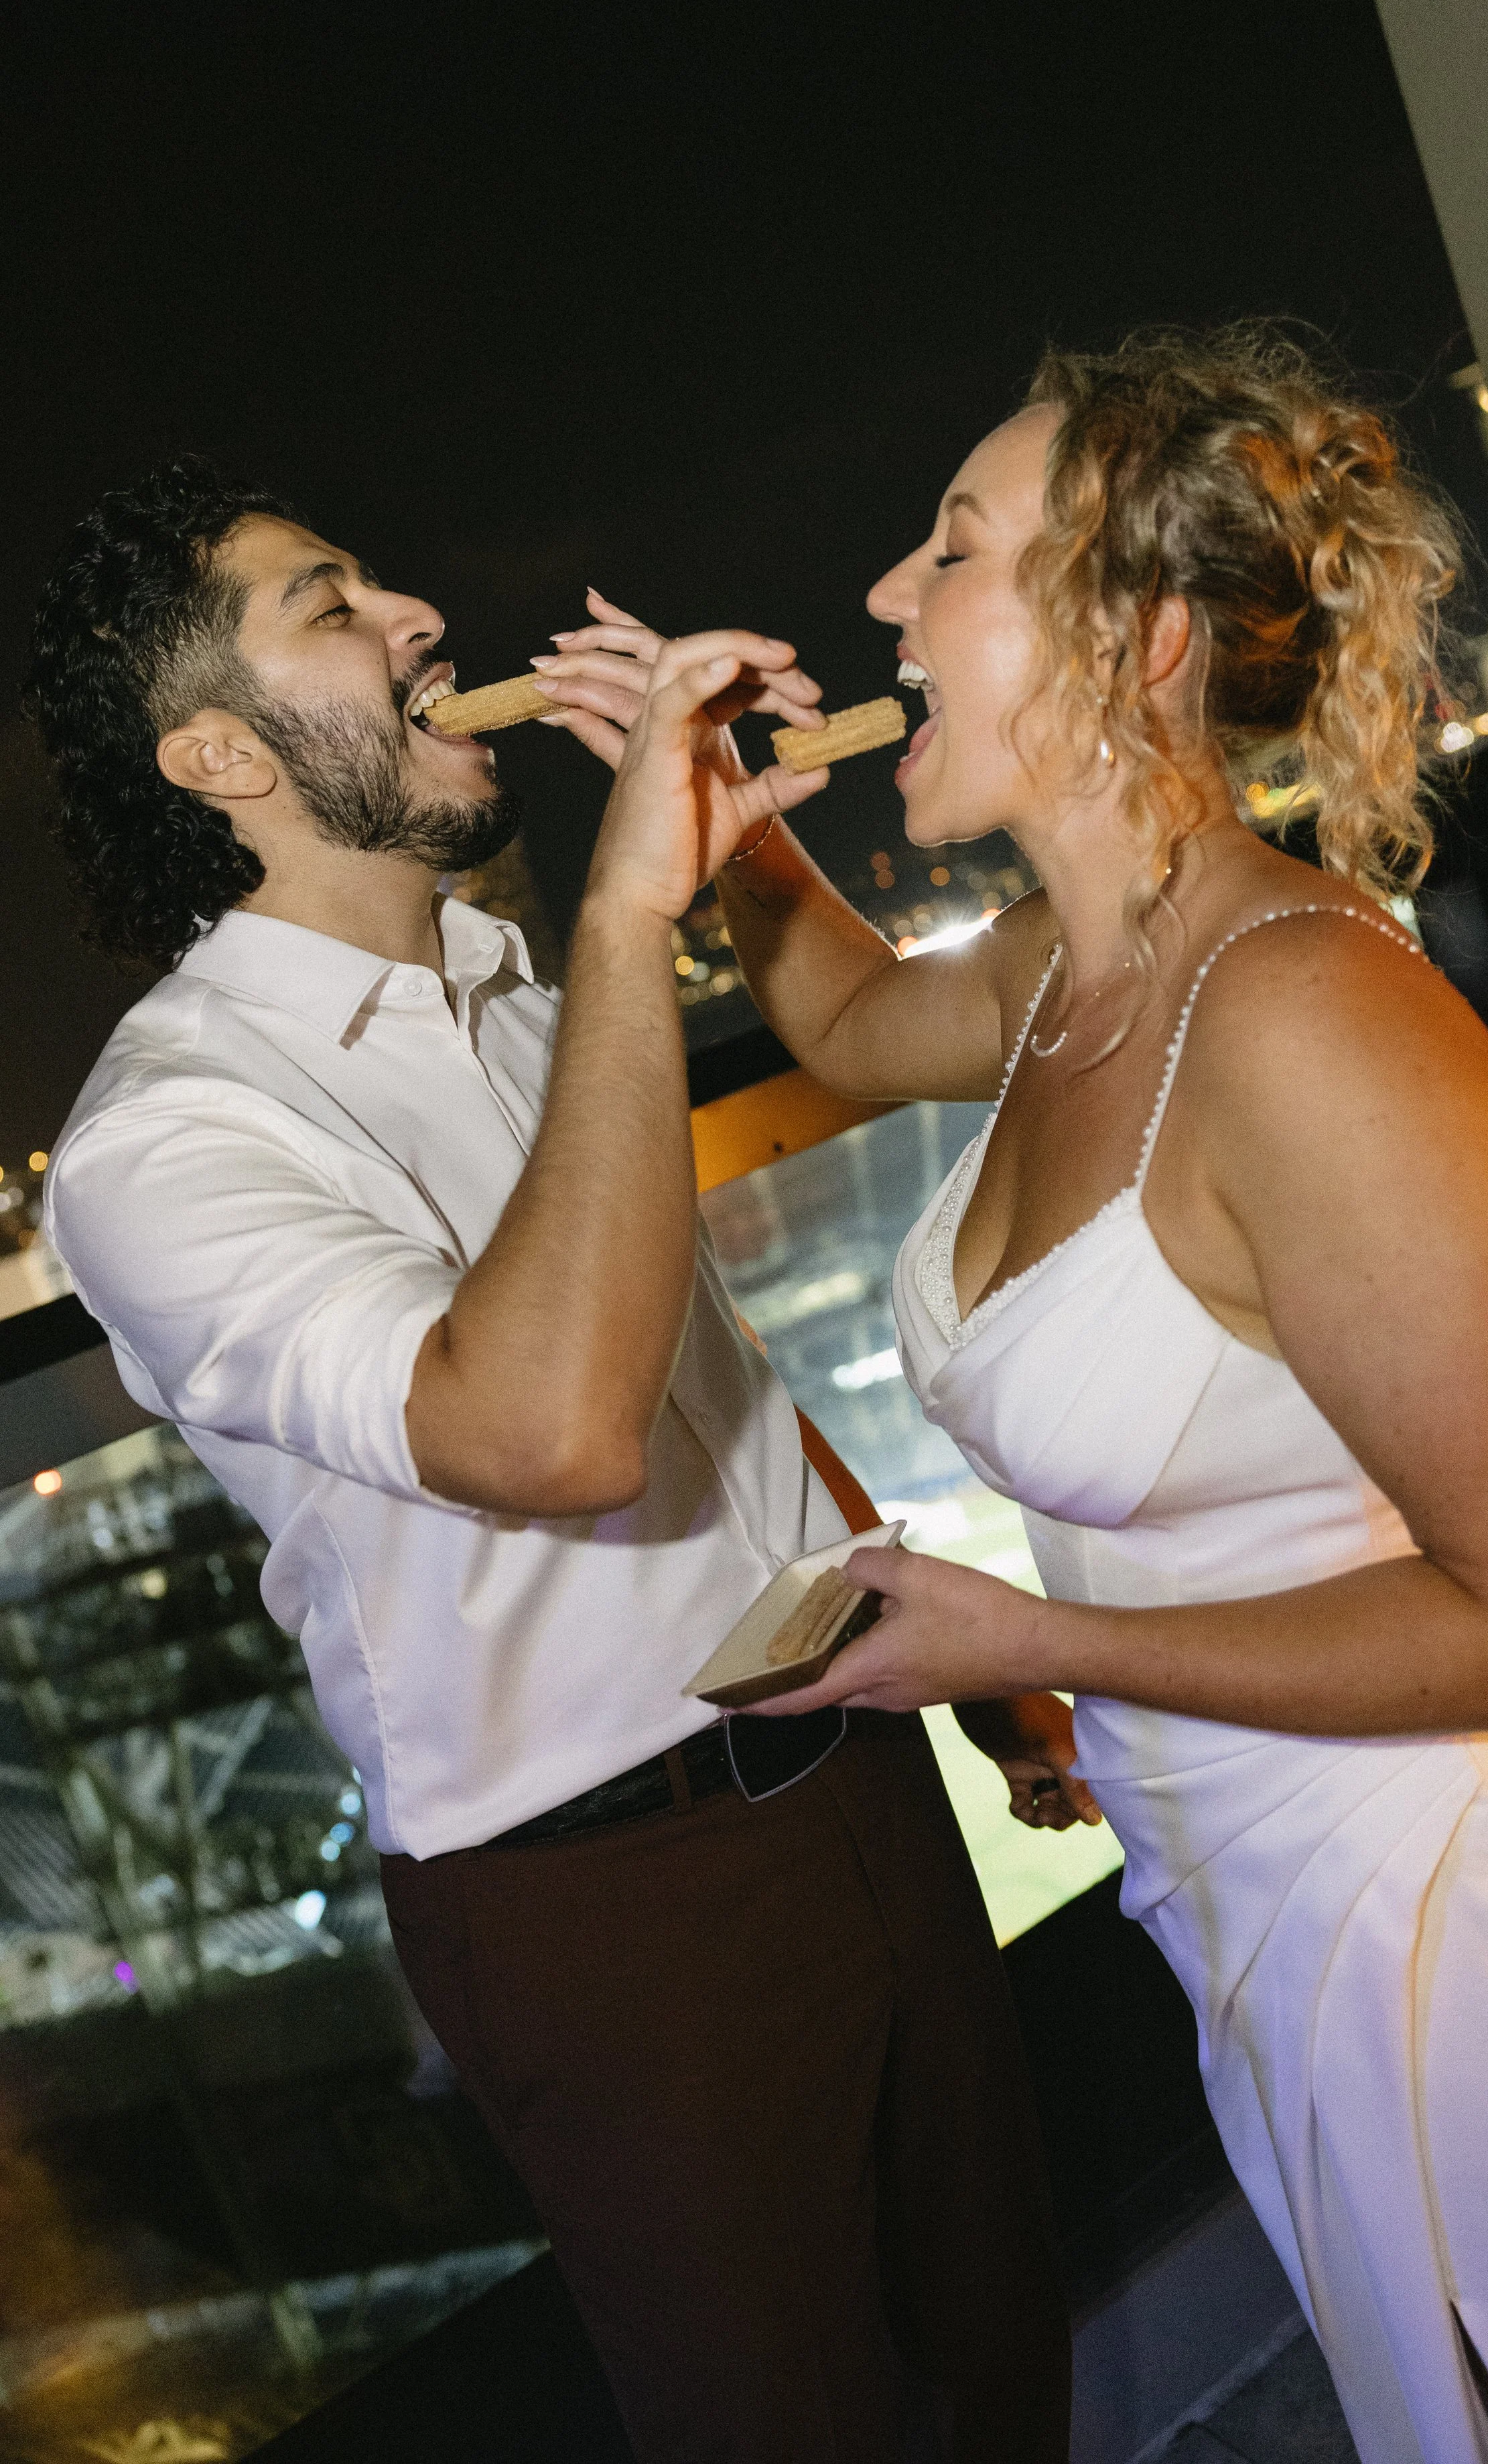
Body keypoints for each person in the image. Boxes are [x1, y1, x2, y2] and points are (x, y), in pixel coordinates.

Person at [550, 330, 1488, 2462]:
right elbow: (859, 1022)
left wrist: (1034, 1639)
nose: (881, 599)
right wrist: (725, 839)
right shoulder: (1063, 983)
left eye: (950, 549)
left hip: (1469, 1932)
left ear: (1132, 638)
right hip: (1243, 1892)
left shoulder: (1307, 1022)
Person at [23, 461, 1073, 2463]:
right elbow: (556, 1433)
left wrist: (966, 1656)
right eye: (331, 603)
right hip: (607, 1902)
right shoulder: (169, 1142)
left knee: (1006, 2372)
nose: (417, 611)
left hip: (855, 1755)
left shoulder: (512, 992)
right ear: (218, 754)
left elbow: (714, 1399)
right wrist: (626, 907)